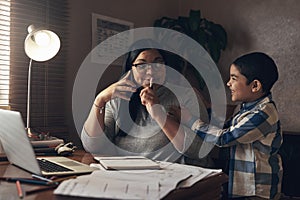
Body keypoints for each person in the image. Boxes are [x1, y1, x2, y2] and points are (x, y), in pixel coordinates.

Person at [81, 39, 213, 166]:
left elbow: (199, 150)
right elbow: (93, 146)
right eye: (142, 65)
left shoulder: (186, 95)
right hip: (126, 174)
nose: (150, 71)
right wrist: (100, 100)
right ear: (130, 69)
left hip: (173, 176)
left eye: (158, 63)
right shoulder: (118, 99)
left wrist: (158, 113)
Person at [174, 52, 283, 199]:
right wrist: (206, 106)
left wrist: (190, 120)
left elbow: (225, 137)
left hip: (256, 192)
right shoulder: (246, 108)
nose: (228, 83)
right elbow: (224, 128)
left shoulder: (263, 114)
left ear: (255, 85)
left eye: (234, 78)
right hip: (240, 188)